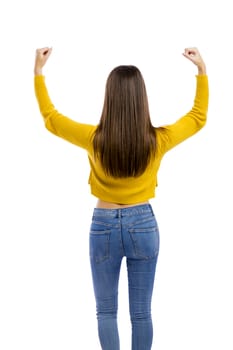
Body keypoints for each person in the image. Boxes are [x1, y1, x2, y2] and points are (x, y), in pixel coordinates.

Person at [34, 47, 208, 350]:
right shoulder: (158, 140)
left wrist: (38, 74)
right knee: (142, 314)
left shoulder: (94, 139)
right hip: (143, 225)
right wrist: (202, 71)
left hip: (103, 227)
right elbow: (197, 118)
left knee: (106, 312)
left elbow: (51, 119)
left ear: (109, 98)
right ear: (142, 99)